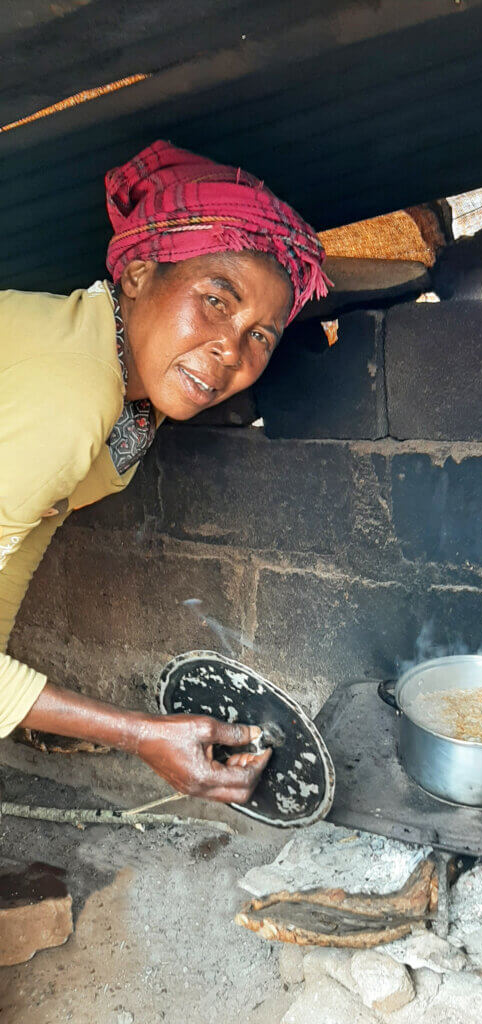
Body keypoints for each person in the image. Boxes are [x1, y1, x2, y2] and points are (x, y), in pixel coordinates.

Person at [0, 140, 330, 804]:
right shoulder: (72, 393)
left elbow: (16, 553)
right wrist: (140, 734)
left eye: (260, 335)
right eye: (216, 298)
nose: (229, 349)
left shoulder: (129, 406)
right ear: (138, 273)